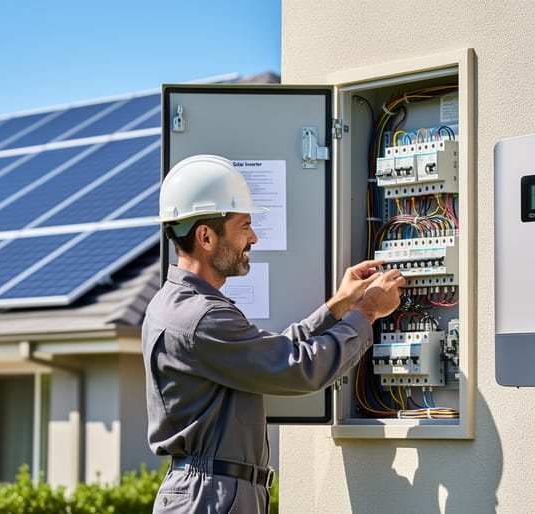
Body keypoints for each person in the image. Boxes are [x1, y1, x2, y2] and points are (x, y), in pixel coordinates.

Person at [142, 154, 405, 513]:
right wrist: (367, 313)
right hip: (212, 496)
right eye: (244, 226)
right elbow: (296, 368)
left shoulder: (177, 304)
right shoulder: (200, 317)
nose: (253, 237)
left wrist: (338, 306)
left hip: (212, 490)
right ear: (205, 236)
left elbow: (274, 351)